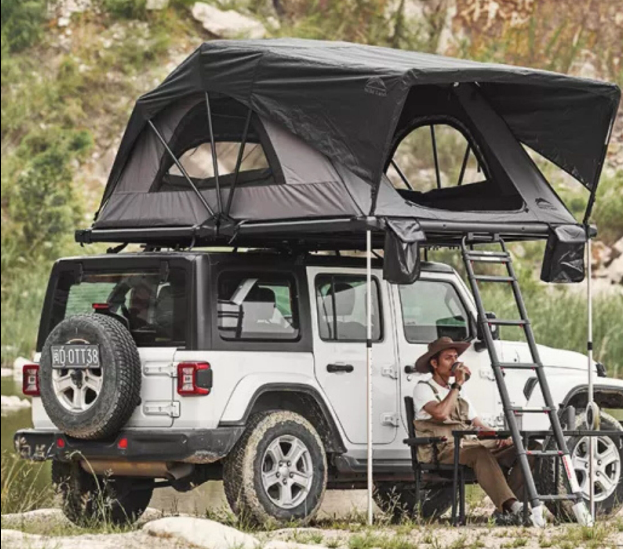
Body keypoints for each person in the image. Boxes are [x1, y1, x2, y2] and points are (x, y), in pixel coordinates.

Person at [413, 336, 534, 525]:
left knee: (527, 448)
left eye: (456, 357)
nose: (455, 362)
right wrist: (457, 384)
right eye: (448, 358)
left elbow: (477, 423)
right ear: (434, 363)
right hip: (443, 449)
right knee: (479, 453)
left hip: (468, 443)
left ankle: (505, 510)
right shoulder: (424, 388)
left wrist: (499, 436)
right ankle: (513, 507)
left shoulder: (459, 392)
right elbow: (440, 413)